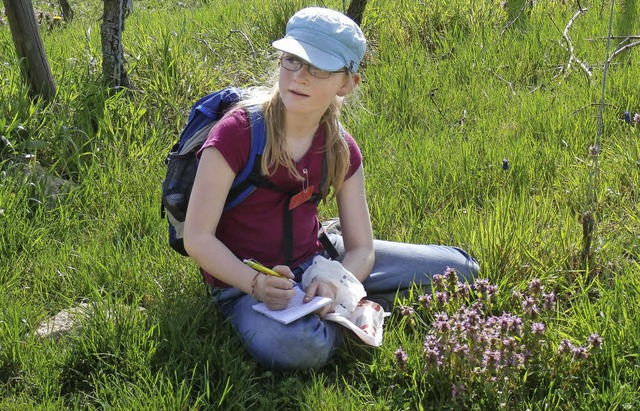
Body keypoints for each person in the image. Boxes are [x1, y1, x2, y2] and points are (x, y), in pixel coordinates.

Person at [183, 6, 479, 371]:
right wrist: (255, 283)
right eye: (292, 60)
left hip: (318, 259)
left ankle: (335, 308)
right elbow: (197, 238)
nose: (300, 76)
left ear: (347, 83)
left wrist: (332, 281)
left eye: (319, 67)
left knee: (462, 270)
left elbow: (361, 249)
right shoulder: (237, 133)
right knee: (303, 348)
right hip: (244, 282)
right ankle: (358, 314)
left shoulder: (340, 148)